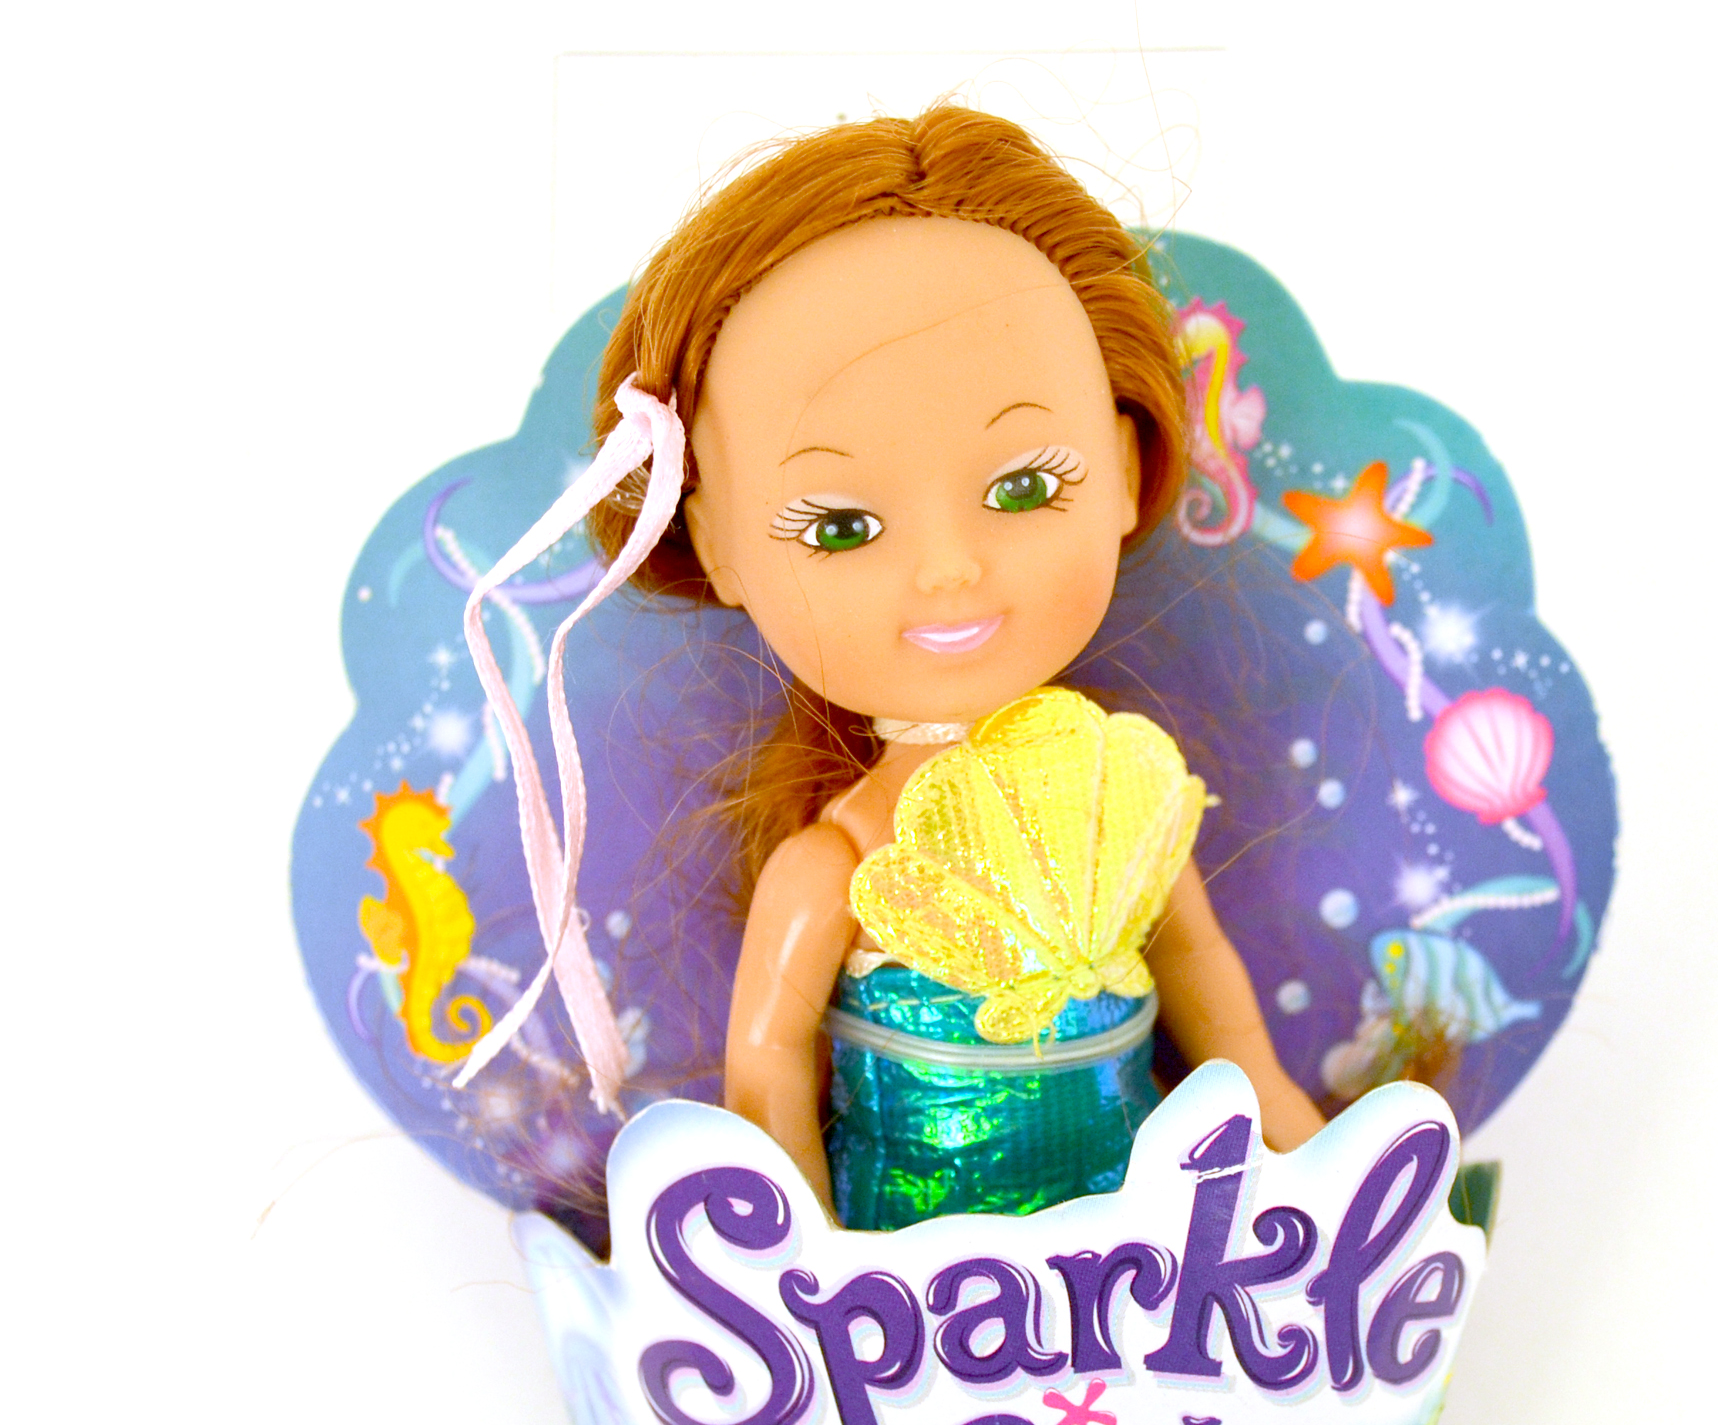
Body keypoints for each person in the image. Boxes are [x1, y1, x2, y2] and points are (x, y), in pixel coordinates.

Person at [462, 104, 1322, 1230]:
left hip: (1143, 1258)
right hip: (915, 1283)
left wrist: (1297, 1133)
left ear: (1118, 467)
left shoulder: (1123, 806)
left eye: (1024, 488)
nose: (949, 568)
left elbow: (1210, 988)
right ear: (716, 542)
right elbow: (767, 1074)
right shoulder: (838, 863)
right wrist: (799, 1264)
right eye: (839, 528)